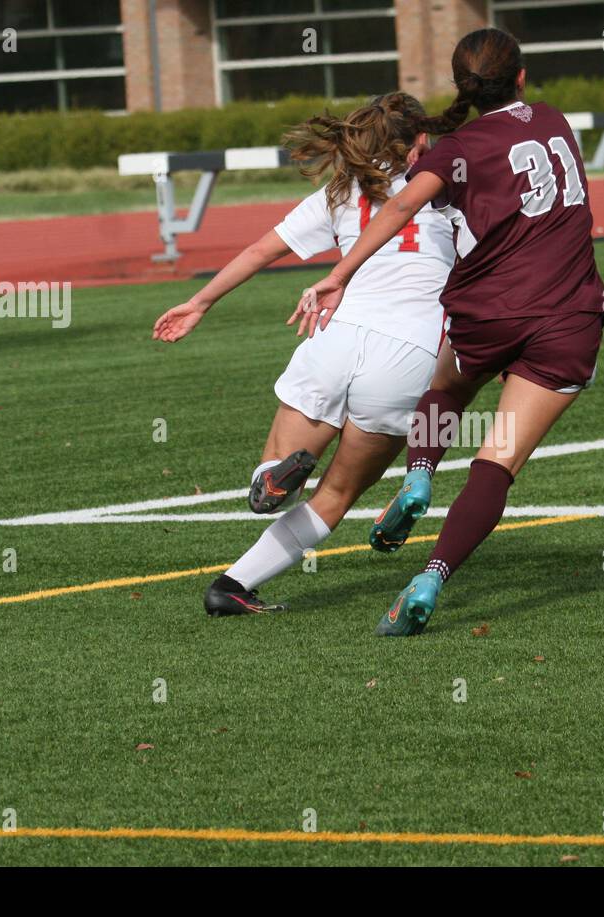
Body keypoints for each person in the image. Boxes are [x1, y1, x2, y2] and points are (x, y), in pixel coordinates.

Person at [292, 28, 604, 636]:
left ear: (461, 85)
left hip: (489, 312)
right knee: (497, 463)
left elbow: (399, 208)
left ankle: (417, 478)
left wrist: (339, 274)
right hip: (569, 318)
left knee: (446, 390)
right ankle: (432, 576)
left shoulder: (456, 149)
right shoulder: (555, 119)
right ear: (521, 77)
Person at [152, 92, 456, 616]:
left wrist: (200, 302)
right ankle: (231, 588)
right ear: (419, 143)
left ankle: (268, 487)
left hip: (336, 338)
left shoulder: (343, 193)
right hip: (408, 352)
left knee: (280, 466)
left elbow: (259, 251)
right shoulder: (454, 194)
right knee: (335, 495)